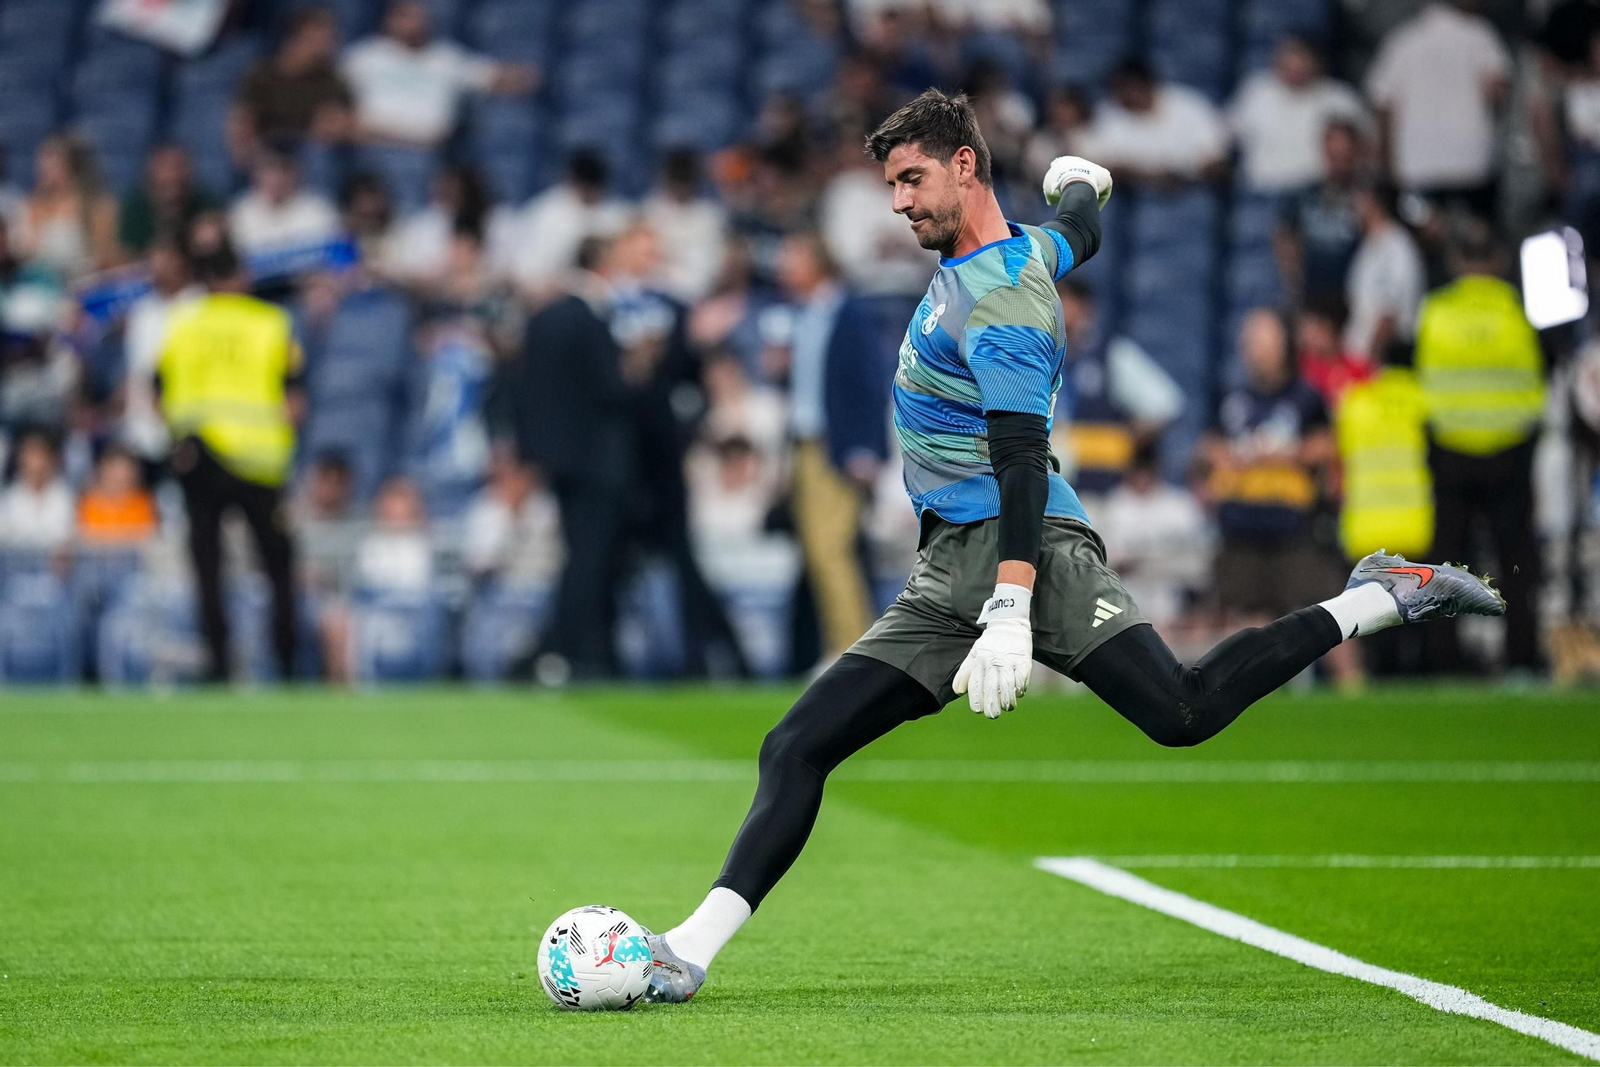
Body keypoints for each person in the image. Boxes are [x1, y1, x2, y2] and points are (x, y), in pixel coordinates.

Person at [639, 91, 1505, 1003]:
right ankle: (689, 952)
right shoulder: (1019, 251)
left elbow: (1019, 463)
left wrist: (1011, 608)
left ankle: (1378, 595)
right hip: (947, 567)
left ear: (964, 166)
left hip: (1027, 548)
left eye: (911, 179)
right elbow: (1073, 234)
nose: (896, 202)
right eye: (890, 183)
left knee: (1181, 712)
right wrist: (1082, 190)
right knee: (797, 743)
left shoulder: (1005, 300)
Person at [159, 240, 301, 682]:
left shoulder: (185, 323)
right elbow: (295, 396)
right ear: (242, 278)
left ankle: (217, 661)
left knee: (208, 564)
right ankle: (287, 660)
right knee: (278, 564)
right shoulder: (272, 322)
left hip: (200, 454)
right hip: (259, 459)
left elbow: (164, 386)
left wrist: (180, 440)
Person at [1414, 227, 1546, 671]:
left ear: (1456, 263)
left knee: (1446, 569)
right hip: (1510, 454)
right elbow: (1538, 385)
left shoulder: (1435, 311)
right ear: (1500, 262)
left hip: (1451, 455)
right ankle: (1522, 662)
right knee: (1516, 566)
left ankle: (1443, 664)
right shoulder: (1520, 312)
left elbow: (1423, 384)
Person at [778, 231, 892, 661]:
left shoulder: (849, 312)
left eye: (794, 255)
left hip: (838, 448)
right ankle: (843, 646)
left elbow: (869, 384)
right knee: (818, 551)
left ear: (817, 261)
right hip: (806, 445)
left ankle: (854, 651)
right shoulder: (807, 314)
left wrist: (866, 449)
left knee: (832, 551)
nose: (785, 266)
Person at [1202, 310, 1339, 630]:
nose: (1257, 350)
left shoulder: (1306, 397)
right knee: (1249, 626)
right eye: (1251, 342)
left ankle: (1352, 681)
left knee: (1328, 613)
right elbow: (1209, 448)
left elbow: (1327, 446)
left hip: (1294, 527)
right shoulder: (1230, 397)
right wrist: (1231, 457)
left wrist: (1280, 455)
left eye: (1265, 342)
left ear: (1284, 346)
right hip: (1240, 527)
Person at [1364, 0, 1510, 217]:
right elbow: (1497, 91)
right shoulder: (1479, 34)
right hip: (1470, 165)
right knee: (1475, 246)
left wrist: (1387, 165)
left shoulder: (1401, 40)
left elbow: (1382, 105)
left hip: (1416, 167)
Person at [1052, 277, 1181, 501]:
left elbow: (1166, 405)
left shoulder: (1111, 355)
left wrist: (1127, 442)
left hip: (1099, 494)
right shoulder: (1038, 357)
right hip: (1049, 487)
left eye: (1064, 300)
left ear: (1085, 307)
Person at [341, 0, 535, 148]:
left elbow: (495, 77)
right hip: (375, 145)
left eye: (419, 17)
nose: (414, 23)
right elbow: (332, 90)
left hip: (430, 149)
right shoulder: (364, 56)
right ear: (390, 20)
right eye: (406, 17)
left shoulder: (446, 59)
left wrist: (532, 74)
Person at [1228, 35, 1367, 194]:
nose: (1294, 66)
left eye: (1301, 59)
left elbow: (1366, 148)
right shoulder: (1256, 92)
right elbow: (1225, 138)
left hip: (1318, 194)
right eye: (1289, 57)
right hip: (1261, 194)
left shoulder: (1340, 99)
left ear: (1316, 62)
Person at [119, 236, 202, 478]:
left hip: (187, 432)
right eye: (153, 260)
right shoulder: (141, 312)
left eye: (166, 259)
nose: (158, 267)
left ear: (182, 262)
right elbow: (136, 371)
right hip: (142, 433)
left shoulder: (200, 306)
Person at [229, 5, 353, 163]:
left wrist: (332, 125)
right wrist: (249, 154)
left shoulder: (330, 79)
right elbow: (242, 119)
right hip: (266, 151)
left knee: (320, 156)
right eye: (322, 37)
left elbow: (342, 121)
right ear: (297, 37)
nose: (330, 43)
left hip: (307, 151)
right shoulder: (263, 74)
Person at [1075, 59, 1228, 184]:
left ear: (1147, 85)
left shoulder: (1190, 106)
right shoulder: (1109, 113)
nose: (1127, 96)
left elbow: (1215, 160)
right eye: (1120, 90)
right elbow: (1095, 163)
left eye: (1131, 88)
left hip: (1190, 190)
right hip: (1135, 193)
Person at [507, 152, 629, 295]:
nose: (590, 193)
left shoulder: (613, 214)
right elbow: (524, 271)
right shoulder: (547, 212)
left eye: (594, 189)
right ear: (574, 182)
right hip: (553, 293)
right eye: (585, 187)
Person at [1277, 119, 1367, 308]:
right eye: (1334, 156)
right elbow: (1285, 233)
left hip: (1355, 296)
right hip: (1312, 297)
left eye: (1345, 156)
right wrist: (1292, 271)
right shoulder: (1304, 196)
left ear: (1356, 153)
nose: (1339, 164)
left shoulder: (1369, 198)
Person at [1343, 181, 1425, 363]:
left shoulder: (1396, 246)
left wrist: (1374, 360)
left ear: (1373, 202)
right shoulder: (1369, 244)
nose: (1352, 208)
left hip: (1382, 361)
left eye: (1358, 200)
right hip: (1359, 357)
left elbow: (1389, 313)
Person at [15, 134, 118, 280]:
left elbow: (104, 256)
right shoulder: (30, 205)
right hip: (38, 283)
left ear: (72, 166)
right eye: (41, 164)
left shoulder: (95, 206)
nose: (43, 171)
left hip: (82, 283)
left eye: (52, 166)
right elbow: (22, 252)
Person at [227, 143, 340, 257]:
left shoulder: (318, 209)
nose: (276, 179)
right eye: (269, 170)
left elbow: (333, 255)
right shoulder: (241, 212)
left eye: (282, 170)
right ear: (256, 175)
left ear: (295, 174)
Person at [117, 144, 215, 259]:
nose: (172, 175)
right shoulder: (135, 211)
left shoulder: (205, 207)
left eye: (177, 166)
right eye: (165, 168)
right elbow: (126, 255)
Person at [0, 430, 73, 552]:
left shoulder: (66, 497)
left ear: (50, 459)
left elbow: (67, 538)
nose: (34, 461)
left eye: (38, 454)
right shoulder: (7, 498)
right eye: (28, 455)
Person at [77, 446, 157, 545]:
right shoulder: (86, 503)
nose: (119, 477)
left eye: (126, 471)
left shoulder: (144, 504)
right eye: (114, 470)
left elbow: (148, 539)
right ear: (102, 471)